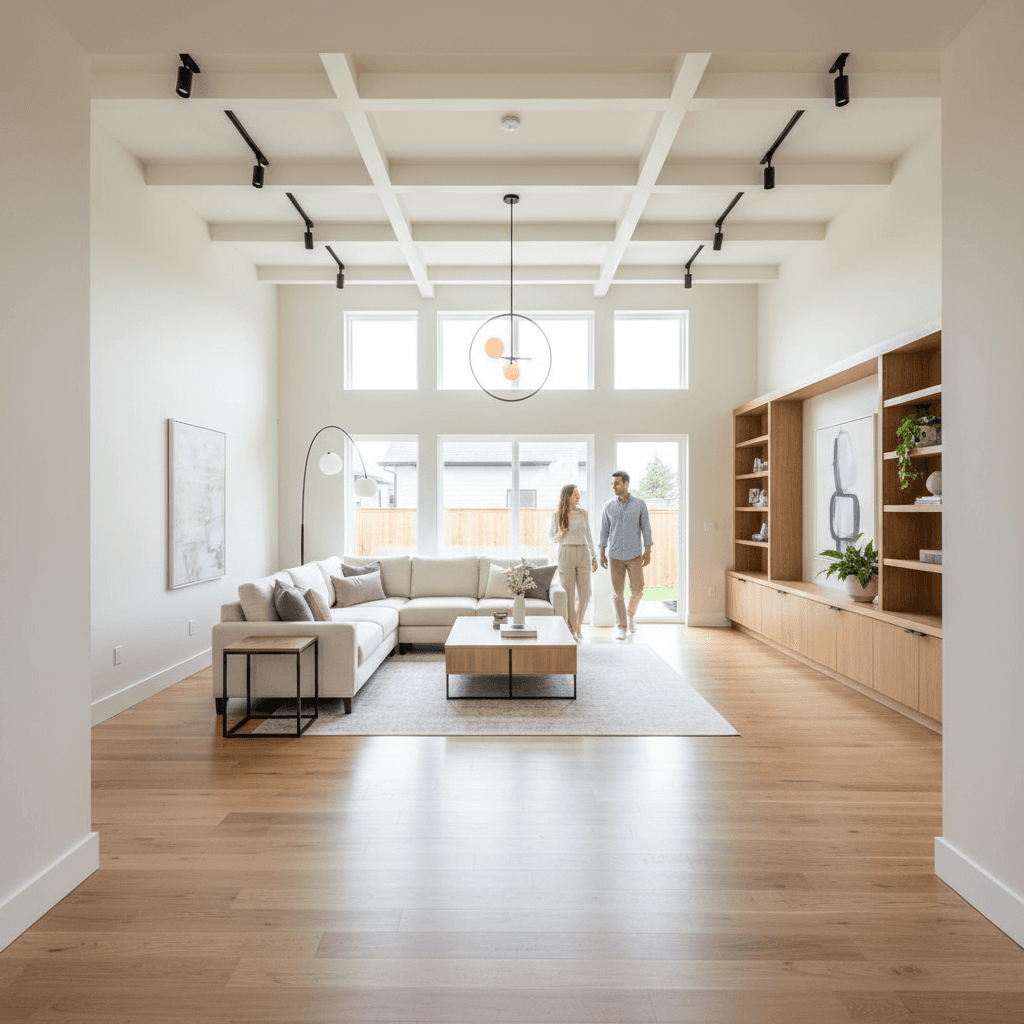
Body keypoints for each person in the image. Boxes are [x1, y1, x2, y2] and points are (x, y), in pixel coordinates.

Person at [599, 470, 653, 640]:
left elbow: (646, 527)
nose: (613, 487)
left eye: (616, 483)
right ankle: (621, 626)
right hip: (614, 555)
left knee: (638, 590)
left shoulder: (639, 505)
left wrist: (648, 550)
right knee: (618, 594)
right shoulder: (608, 507)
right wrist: (601, 552)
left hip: (634, 555)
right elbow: (604, 531)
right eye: (612, 484)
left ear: (626, 484)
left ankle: (630, 615)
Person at [547, 483, 597, 641]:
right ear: (567, 496)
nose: (579, 497)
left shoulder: (583, 514)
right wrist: (561, 534)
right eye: (576, 495)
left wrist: (594, 556)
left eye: (579, 495)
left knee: (585, 594)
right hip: (565, 552)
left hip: (583, 552)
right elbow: (551, 538)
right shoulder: (556, 516)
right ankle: (571, 628)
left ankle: (578, 625)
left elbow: (588, 535)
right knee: (568, 594)